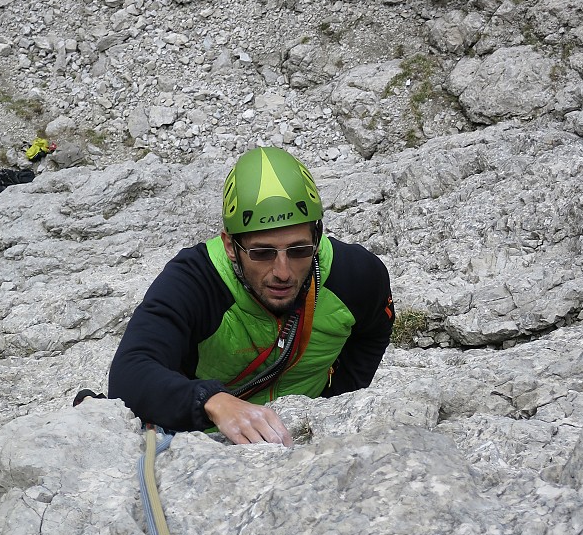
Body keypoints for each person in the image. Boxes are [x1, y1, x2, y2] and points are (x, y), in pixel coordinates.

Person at [101, 146, 395, 445]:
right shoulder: (197, 281)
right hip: (207, 440)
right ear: (230, 246)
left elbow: (374, 331)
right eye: (262, 253)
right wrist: (213, 402)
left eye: (299, 250)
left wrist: (338, 400)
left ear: (317, 238)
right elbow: (130, 372)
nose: (283, 271)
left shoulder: (357, 276)